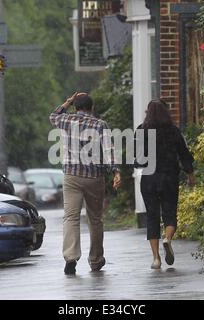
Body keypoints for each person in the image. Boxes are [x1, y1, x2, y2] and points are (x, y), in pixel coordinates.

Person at [50, 92, 121, 275]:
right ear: (92, 108)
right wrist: (116, 171)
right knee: (95, 219)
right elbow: (108, 150)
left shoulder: (67, 121)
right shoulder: (100, 125)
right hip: (94, 177)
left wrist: (67, 101)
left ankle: (71, 257)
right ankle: (96, 259)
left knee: (71, 217)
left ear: (75, 107)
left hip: (72, 176)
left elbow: (53, 116)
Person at [134, 99, 195, 269]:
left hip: (149, 180)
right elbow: (184, 154)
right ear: (166, 112)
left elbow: (137, 160)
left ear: (148, 113)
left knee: (152, 217)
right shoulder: (173, 131)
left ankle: (156, 259)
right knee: (170, 214)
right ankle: (167, 238)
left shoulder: (141, 131)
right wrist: (190, 174)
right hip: (169, 178)